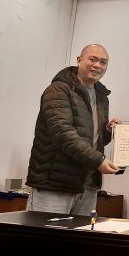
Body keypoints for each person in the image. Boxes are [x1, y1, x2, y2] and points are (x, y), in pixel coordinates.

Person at [26, 44, 120, 215]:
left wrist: (107, 131)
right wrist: (98, 161)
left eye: (103, 62)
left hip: (88, 184)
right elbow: (63, 134)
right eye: (92, 59)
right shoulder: (58, 90)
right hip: (55, 184)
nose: (97, 65)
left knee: (81, 233)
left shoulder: (101, 96)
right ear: (79, 60)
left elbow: (94, 139)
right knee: (45, 233)